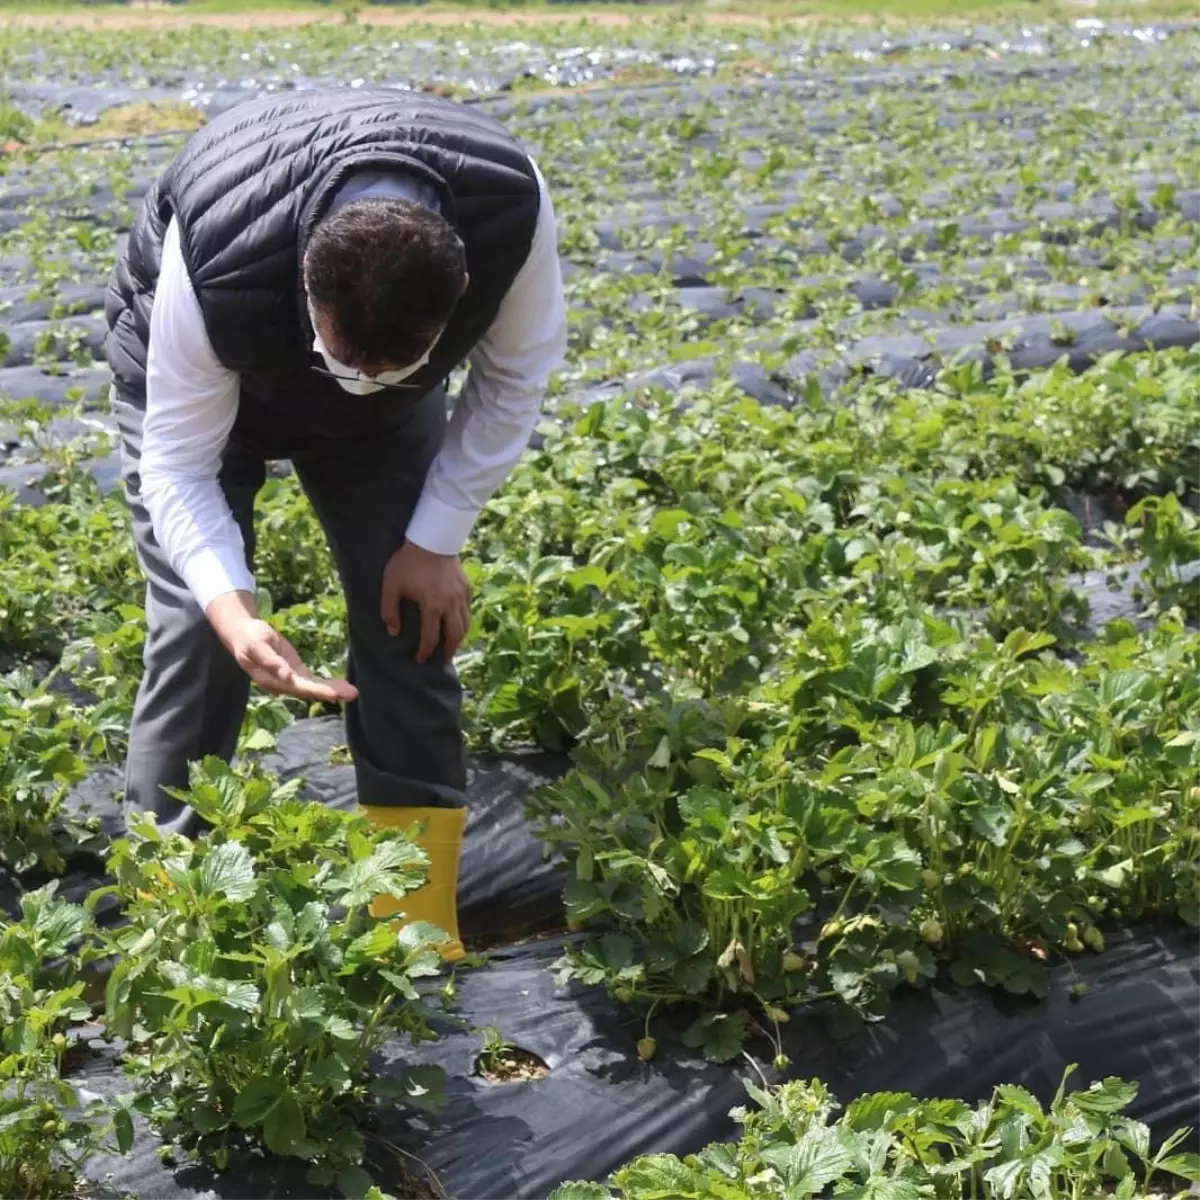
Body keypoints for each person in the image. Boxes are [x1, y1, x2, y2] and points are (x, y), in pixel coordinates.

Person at [104, 89, 568, 961]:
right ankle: (171, 925)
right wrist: (233, 611)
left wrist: (436, 542)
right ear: (306, 282)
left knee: (412, 622)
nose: (354, 381)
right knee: (198, 641)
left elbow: (514, 381)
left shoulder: (509, 211)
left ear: (461, 291)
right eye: (339, 361)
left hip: (389, 427)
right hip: (203, 394)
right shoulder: (219, 255)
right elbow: (177, 464)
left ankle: (414, 918)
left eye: (395, 365)